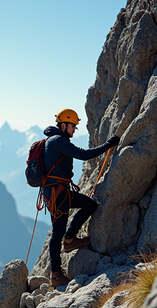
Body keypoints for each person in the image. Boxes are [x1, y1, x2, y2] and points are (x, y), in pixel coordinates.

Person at [42, 109, 120, 287]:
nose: (74, 129)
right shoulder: (59, 141)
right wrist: (108, 145)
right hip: (57, 193)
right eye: (72, 126)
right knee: (57, 232)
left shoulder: (52, 140)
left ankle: (69, 240)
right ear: (63, 125)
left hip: (56, 192)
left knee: (89, 205)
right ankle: (56, 273)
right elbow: (83, 154)